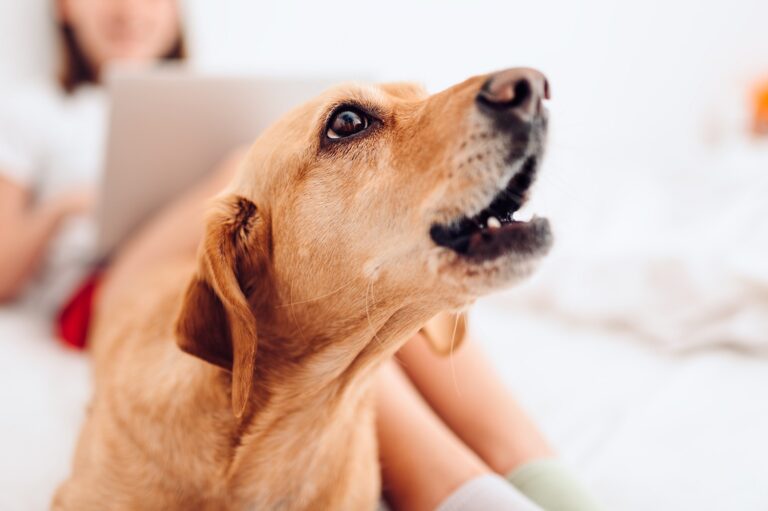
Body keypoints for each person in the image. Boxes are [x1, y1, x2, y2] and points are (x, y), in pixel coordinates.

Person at [0, 1, 601, 510]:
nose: (129, 10)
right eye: (351, 123)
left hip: (260, 257)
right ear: (62, 10)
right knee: (262, 205)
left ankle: (544, 479)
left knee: (369, 290)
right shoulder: (35, 113)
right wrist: (67, 209)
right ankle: (460, 490)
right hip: (111, 277)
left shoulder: (215, 94)